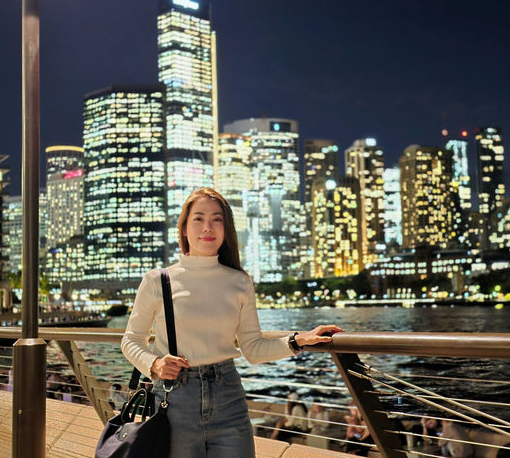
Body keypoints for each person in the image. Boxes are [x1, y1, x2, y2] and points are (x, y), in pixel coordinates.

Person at [121, 187, 344, 458]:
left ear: (226, 228)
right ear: (183, 229)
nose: (208, 227)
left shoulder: (239, 281)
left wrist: (297, 341)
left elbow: (252, 347)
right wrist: (154, 364)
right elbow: (131, 340)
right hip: (174, 399)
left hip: (228, 396)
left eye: (217, 219)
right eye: (199, 218)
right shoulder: (158, 280)